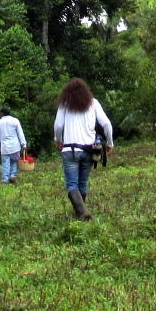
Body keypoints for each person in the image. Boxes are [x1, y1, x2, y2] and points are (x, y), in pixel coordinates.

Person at [51, 77, 113, 221]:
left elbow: (58, 126)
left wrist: (58, 140)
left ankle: (82, 211)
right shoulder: (93, 103)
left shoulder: (64, 104)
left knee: (72, 184)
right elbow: (106, 124)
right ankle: (80, 213)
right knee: (82, 183)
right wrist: (110, 143)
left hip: (70, 150)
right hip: (88, 150)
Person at [0, 107, 28, 185]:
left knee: (5, 163)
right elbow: (20, 133)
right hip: (15, 146)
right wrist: (24, 144)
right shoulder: (15, 121)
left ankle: (5, 180)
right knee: (14, 161)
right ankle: (12, 175)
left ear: (2, 113)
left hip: (4, 147)